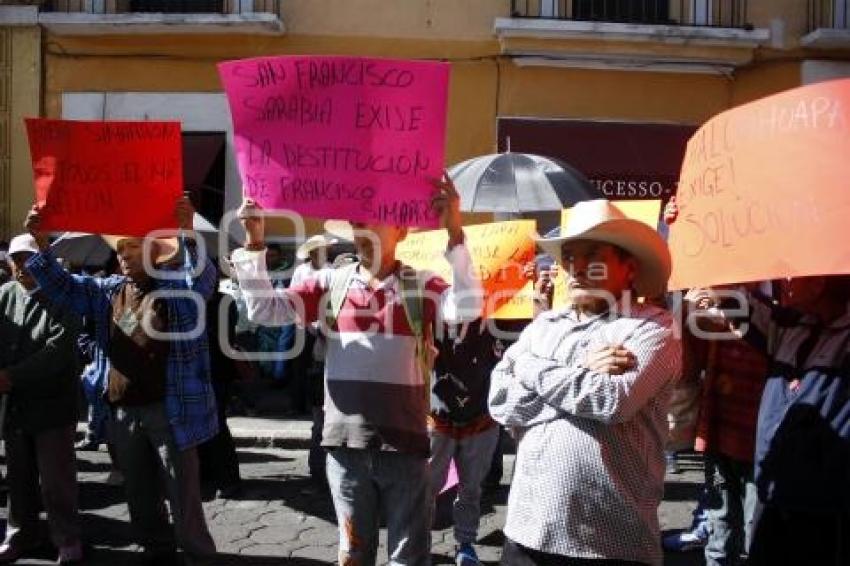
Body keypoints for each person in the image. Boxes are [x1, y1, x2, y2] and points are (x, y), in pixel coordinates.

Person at [231, 173, 482, 566]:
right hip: (344, 448)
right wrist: (254, 242)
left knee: (409, 558)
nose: (363, 228)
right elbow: (264, 309)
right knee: (353, 555)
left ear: (400, 229)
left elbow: (466, 309)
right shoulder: (329, 281)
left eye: (374, 218)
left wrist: (455, 233)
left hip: (407, 447)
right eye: (358, 221)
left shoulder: (423, 285)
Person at [24, 198, 218, 566]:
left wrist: (187, 233)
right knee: (139, 491)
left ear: (155, 253)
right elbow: (61, 287)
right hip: (124, 410)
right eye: (122, 249)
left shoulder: (178, 289)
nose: (125, 255)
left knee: (183, 491)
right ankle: (155, 548)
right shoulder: (108, 290)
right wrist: (42, 243)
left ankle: (199, 554)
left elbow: (203, 281)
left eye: (133, 247)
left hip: (170, 408)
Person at [489, 199, 681, 566]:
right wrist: (580, 366)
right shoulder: (546, 325)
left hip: (610, 542)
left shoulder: (652, 328)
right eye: (570, 256)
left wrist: (523, 364)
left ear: (630, 268)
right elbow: (500, 400)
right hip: (527, 531)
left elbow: (611, 402)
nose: (576, 266)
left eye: (593, 254)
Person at [0, 234, 84, 564]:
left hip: (52, 404)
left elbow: (58, 351)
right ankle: (20, 534)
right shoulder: (4, 295)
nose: (23, 266)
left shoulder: (64, 298)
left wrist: (10, 376)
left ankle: (67, 538)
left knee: (56, 480)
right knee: (18, 478)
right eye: (17, 259)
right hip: (14, 406)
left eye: (30, 259)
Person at [429, 318, 504, 566]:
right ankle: (419, 541)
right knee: (426, 487)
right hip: (438, 415)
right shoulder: (434, 305)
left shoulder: (500, 313)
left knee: (471, 488)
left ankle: (466, 544)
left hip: (481, 418)